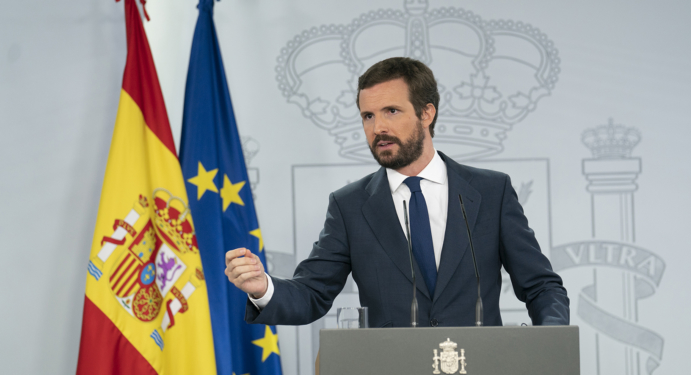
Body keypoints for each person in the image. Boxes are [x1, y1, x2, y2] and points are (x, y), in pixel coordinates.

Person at [225, 57, 569, 327]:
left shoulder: (491, 192)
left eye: (391, 111)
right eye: (368, 116)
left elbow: (541, 286)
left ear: (426, 113)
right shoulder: (350, 206)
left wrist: (551, 343)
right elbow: (312, 292)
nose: (378, 128)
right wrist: (263, 288)